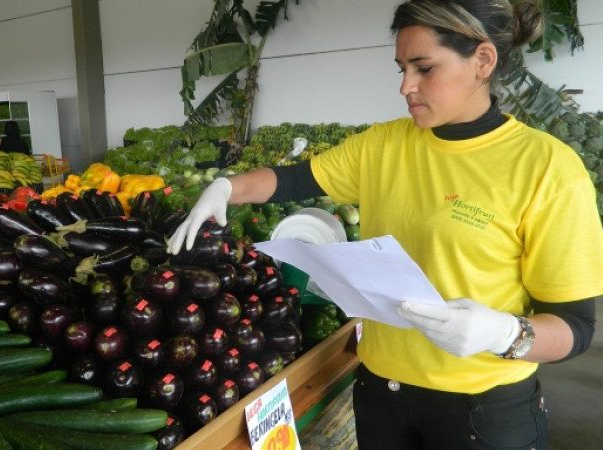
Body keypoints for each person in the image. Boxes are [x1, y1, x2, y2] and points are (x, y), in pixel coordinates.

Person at [167, 1, 603, 449]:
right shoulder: (385, 144)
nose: (405, 87)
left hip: (484, 411)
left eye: (423, 68)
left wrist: (506, 334)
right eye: (401, 68)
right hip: (380, 396)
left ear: (483, 61)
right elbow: (292, 179)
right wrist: (226, 187)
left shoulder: (546, 167)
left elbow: (575, 327)